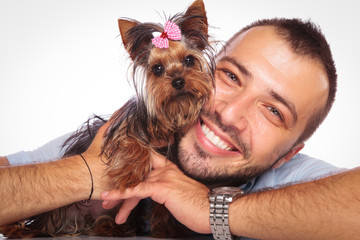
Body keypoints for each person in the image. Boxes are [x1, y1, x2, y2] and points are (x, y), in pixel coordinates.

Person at [0, 17, 349, 239]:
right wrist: (86, 173)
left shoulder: (294, 185)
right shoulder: (118, 132)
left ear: (287, 156)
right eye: (230, 76)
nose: (229, 114)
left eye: (273, 110)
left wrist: (215, 212)